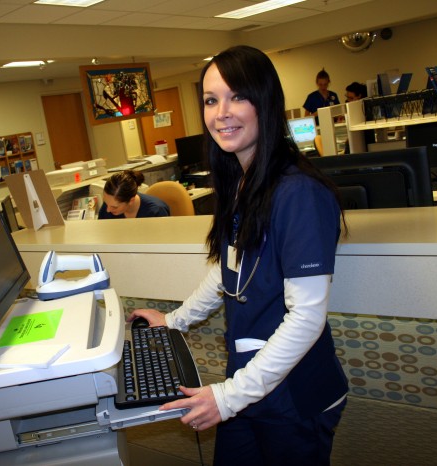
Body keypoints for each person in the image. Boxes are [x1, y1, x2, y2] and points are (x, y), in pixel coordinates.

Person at [129, 45, 348, 465]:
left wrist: (227, 398)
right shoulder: (243, 182)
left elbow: (307, 316)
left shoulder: (299, 193)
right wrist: (174, 321)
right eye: (212, 100)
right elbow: (227, 272)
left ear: (265, 102)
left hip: (294, 397)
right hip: (252, 386)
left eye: (237, 97)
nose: (221, 112)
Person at [97, 169, 170, 219]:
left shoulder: (156, 211)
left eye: (115, 207)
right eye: (106, 203)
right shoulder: (107, 208)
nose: (108, 210)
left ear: (131, 200)